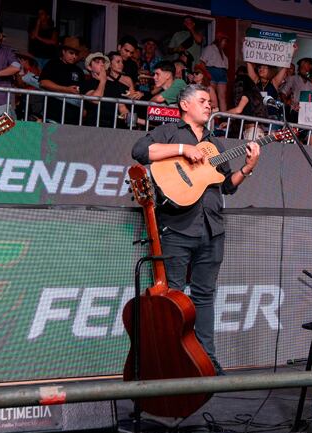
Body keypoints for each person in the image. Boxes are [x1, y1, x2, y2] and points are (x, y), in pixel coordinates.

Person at [131, 84, 260, 374]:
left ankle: (206, 361)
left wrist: (248, 167)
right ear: (185, 104)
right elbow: (140, 150)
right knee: (173, 296)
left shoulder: (215, 144)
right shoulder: (170, 131)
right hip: (177, 227)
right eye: (203, 100)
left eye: (210, 101)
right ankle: (172, 362)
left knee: (204, 296)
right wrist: (182, 149)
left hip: (212, 228)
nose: (209, 105)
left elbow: (228, 185)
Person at [199, 32, 228, 112]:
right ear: (220, 40)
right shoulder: (210, 48)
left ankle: (223, 118)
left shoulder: (223, 52)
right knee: (211, 95)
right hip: (212, 72)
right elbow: (202, 63)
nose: (225, 43)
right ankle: (210, 115)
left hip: (222, 73)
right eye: (224, 41)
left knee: (222, 96)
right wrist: (206, 74)